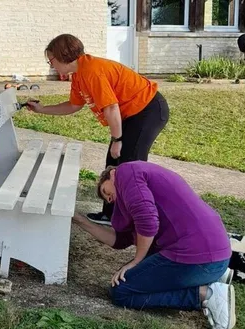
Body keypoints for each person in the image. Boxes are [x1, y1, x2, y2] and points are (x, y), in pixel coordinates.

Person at [72, 161, 235, 329]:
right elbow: (118, 240)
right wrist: (79, 220)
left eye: (106, 191)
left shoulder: (126, 173)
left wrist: (136, 261)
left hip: (198, 256)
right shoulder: (141, 179)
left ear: (111, 174)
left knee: (121, 291)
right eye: (108, 200)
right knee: (134, 276)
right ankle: (212, 276)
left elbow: (148, 221)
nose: (110, 199)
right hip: (215, 254)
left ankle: (205, 294)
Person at [26, 34, 169, 226]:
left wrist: (117, 139)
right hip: (131, 114)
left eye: (50, 59)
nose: (51, 65)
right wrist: (42, 109)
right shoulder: (79, 75)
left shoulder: (91, 71)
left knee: (130, 166)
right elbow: (73, 105)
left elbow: (111, 107)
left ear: (64, 56)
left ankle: (141, 219)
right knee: (114, 163)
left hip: (147, 109)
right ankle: (111, 216)